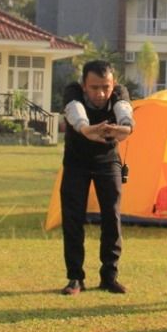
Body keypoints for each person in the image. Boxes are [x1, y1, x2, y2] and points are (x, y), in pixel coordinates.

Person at [58, 60, 134, 295]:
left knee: (112, 216)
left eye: (106, 87)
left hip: (107, 161)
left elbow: (125, 114)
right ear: (84, 86)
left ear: (113, 84)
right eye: (94, 88)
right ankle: (75, 278)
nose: (101, 94)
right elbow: (75, 113)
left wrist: (126, 127)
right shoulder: (72, 92)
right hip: (76, 162)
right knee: (72, 219)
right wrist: (85, 129)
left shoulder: (119, 93)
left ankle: (109, 276)